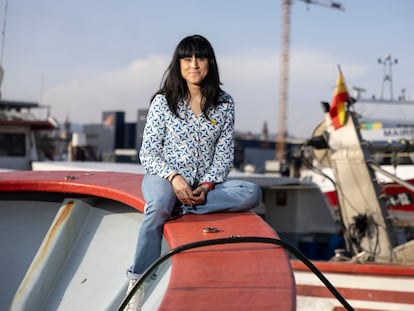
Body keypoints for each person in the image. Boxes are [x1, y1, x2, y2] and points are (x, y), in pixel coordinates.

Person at [125, 34, 262, 309]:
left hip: (203, 187)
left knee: (252, 192)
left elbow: (224, 156)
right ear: (179, 64)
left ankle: (184, 208)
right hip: (164, 178)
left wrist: (208, 185)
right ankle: (137, 284)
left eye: (200, 58)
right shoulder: (164, 102)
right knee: (159, 205)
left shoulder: (224, 104)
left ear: (210, 63)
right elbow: (148, 153)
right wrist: (174, 178)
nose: (194, 64)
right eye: (187, 59)